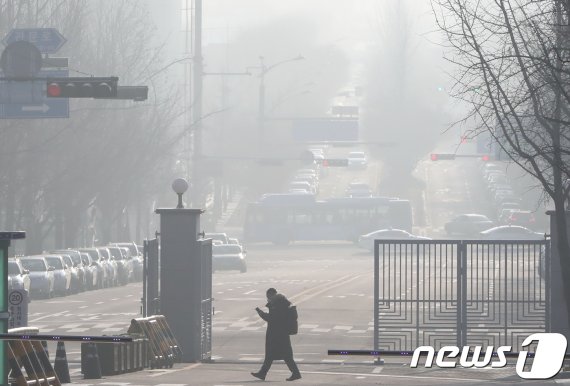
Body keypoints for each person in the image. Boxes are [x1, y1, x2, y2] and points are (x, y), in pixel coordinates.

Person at [251, 288, 301, 381]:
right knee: (273, 355)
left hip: (277, 335)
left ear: (271, 295)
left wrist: (261, 313)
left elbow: (272, 319)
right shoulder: (282, 303)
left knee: (284, 355)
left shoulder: (277, 305)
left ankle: (296, 373)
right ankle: (262, 373)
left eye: (268, 297)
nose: (267, 299)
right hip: (281, 334)